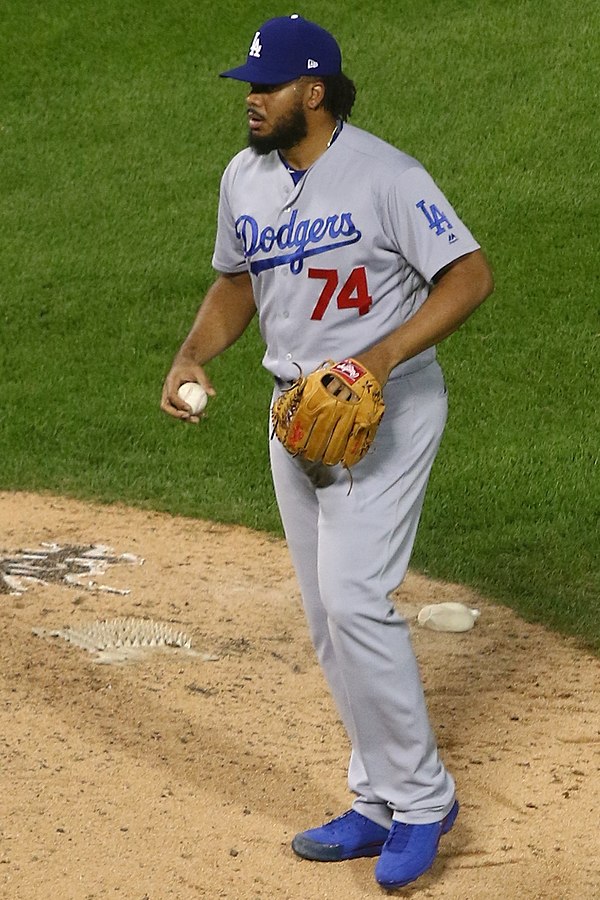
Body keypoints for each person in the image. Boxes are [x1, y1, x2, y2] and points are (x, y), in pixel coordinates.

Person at [161, 14, 493, 890]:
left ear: (314, 90)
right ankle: (377, 797)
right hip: (295, 416)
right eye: (247, 87)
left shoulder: (386, 175)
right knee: (327, 620)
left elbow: (469, 274)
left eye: (265, 87)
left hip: (383, 411)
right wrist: (194, 351)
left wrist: (379, 358)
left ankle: (426, 801)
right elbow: (239, 280)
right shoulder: (245, 177)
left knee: (355, 601)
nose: (251, 101)